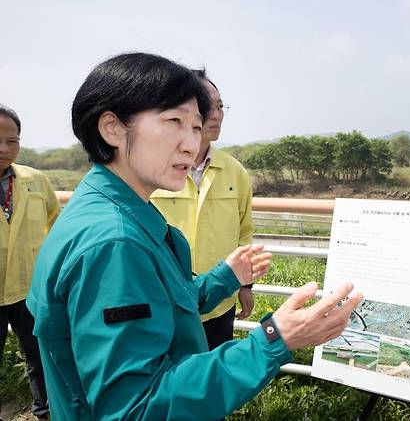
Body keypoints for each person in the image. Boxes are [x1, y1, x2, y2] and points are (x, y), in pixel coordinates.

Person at [27, 52, 362, 420]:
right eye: (174, 121)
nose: (190, 142)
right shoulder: (114, 243)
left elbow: (162, 305)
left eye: (197, 127)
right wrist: (273, 339)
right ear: (113, 128)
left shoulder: (105, 206)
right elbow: (137, 407)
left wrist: (225, 278)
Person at [151, 69, 254, 350]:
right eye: (208, 106)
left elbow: (244, 233)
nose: (216, 114)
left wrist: (245, 285)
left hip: (220, 299)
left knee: (214, 379)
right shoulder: (152, 169)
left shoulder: (234, 170)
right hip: (166, 300)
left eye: (221, 106)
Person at [0, 104, 59, 420]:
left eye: (12, 140)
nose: (4, 148)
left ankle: (45, 412)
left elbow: (57, 224)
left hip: (30, 289)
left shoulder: (36, 180)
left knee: (40, 356)